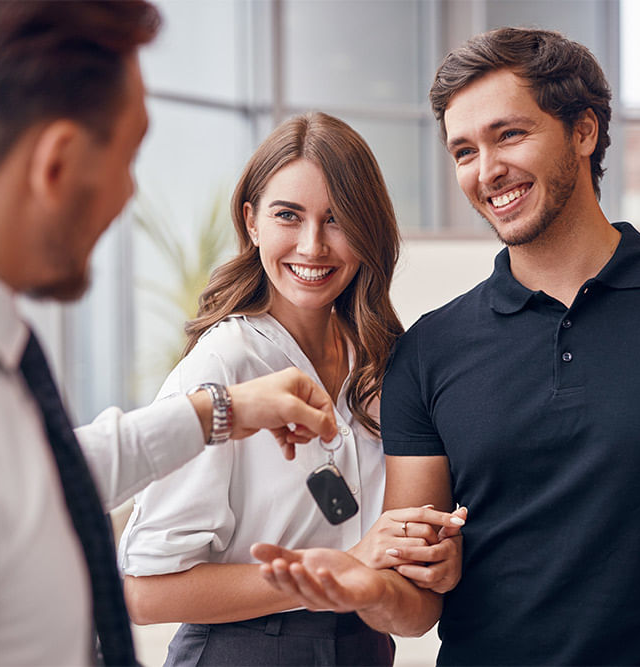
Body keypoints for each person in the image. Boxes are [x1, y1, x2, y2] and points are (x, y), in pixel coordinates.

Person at [252, 27, 640, 665]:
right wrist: (368, 589)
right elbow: (416, 604)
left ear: (584, 132)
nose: (487, 170)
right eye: (464, 150)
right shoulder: (430, 350)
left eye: (509, 135)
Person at [0, 2, 344, 665]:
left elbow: (56, 468)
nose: (130, 192)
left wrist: (222, 410)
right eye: (130, 157)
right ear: (58, 163)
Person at [118, 111, 466, 667]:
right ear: (252, 222)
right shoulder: (224, 364)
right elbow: (146, 590)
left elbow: (415, 609)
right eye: (289, 216)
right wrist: (343, 566)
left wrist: (434, 567)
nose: (312, 245)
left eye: (337, 219)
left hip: (365, 649)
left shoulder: (383, 367)